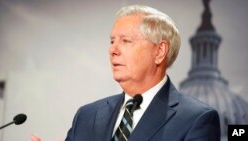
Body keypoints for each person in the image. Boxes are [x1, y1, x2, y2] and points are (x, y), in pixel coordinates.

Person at [31, 5, 220, 141]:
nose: (112, 50)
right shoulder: (87, 116)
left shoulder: (196, 120)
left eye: (126, 41)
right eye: (112, 40)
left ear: (159, 52)